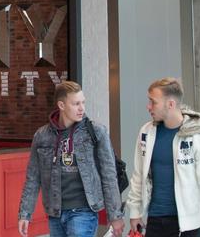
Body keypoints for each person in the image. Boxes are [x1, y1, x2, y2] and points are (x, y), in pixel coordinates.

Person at [18, 81, 124, 237]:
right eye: (76, 104)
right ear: (61, 105)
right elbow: (33, 177)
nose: (82, 108)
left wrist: (115, 215)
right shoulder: (42, 136)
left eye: (83, 102)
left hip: (84, 212)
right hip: (55, 213)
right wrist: (25, 213)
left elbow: (109, 175)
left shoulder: (96, 132)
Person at [126, 77, 200, 237]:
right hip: (155, 219)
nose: (148, 106)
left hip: (190, 224)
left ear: (170, 104)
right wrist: (134, 211)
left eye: (153, 102)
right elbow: (139, 174)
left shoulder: (199, 137)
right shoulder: (146, 133)